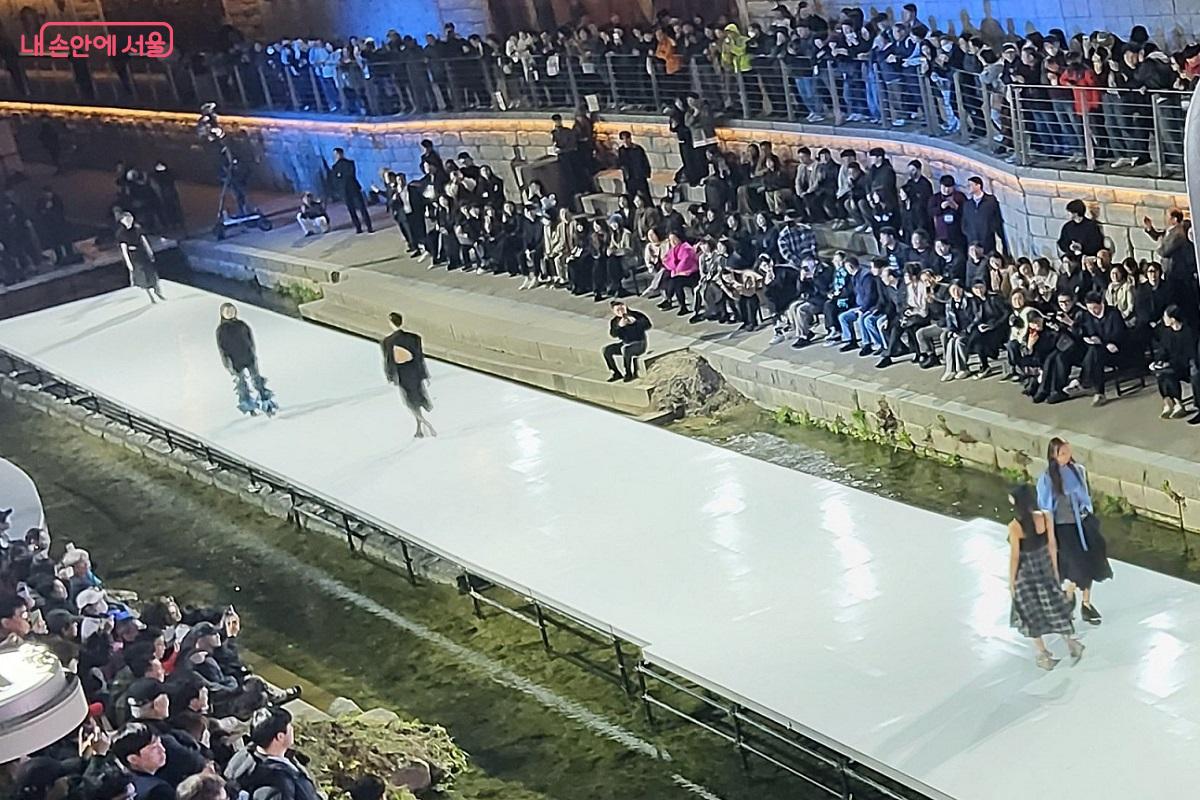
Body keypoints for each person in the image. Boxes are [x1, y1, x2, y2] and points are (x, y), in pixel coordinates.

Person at [1007, 483, 1085, 671]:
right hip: (1044, 565)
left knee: (1030, 611)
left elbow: (1015, 556)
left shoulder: (1015, 526)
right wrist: (1054, 570)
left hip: (1027, 572)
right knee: (1055, 606)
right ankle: (1071, 643)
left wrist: (1011, 582)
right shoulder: (1045, 516)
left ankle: (1043, 654)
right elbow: (1052, 544)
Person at [1037, 437, 1113, 626]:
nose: (1066, 456)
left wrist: (1088, 515)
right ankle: (1070, 592)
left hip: (1082, 522)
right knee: (1078, 565)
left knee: (1093, 559)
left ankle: (1085, 603)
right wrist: (1050, 534)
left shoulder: (1077, 471)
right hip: (1064, 527)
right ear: (1053, 456)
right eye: (1062, 453)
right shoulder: (1047, 478)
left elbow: (1084, 496)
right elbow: (1046, 507)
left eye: (1067, 452)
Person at [225, 707, 321, 800]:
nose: (292, 729)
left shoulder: (242, 757)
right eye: (289, 726)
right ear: (280, 736)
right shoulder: (279, 784)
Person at [216, 303, 277, 417]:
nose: (230, 313)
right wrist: (227, 363)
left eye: (232, 310)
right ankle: (249, 407)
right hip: (234, 360)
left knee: (258, 381)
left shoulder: (242, 325)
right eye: (227, 311)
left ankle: (267, 404)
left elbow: (250, 340)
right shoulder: (221, 330)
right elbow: (222, 348)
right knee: (242, 385)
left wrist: (253, 353)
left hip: (248, 356)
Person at [381, 312, 435, 438]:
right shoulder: (414, 338)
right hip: (414, 372)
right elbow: (419, 358)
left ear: (390, 323)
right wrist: (424, 374)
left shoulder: (388, 341)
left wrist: (390, 376)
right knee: (416, 397)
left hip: (402, 374)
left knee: (410, 401)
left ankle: (423, 423)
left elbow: (389, 360)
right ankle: (420, 426)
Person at [1150, 305, 1195, 419]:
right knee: (1161, 373)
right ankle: (1169, 402)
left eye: (1165, 317)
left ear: (1173, 319)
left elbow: (1188, 354)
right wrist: (1158, 361)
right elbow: (1163, 349)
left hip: (1185, 365)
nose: (1164, 319)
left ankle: (1178, 403)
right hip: (1171, 363)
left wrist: (1170, 363)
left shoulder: (1188, 332)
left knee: (1169, 373)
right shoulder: (1167, 332)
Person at [117, 212, 164, 304]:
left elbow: (144, 240)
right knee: (142, 276)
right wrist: (128, 263)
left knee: (152, 273)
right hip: (133, 255)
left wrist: (149, 251)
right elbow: (124, 249)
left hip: (142, 252)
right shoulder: (121, 233)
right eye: (126, 219)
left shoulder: (138, 228)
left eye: (130, 218)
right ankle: (151, 296)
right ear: (122, 221)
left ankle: (157, 291)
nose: (129, 220)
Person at [603, 300, 651, 382]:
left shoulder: (636, 315)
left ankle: (628, 373)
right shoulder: (614, 321)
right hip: (626, 342)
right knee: (607, 350)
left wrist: (636, 322)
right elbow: (613, 334)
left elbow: (648, 325)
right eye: (617, 310)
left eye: (622, 309)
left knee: (625, 349)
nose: (620, 312)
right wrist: (619, 326)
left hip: (639, 343)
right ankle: (616, 372)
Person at [329, 147, 373, 234]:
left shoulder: (349, 163)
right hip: (344, 192)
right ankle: (358, 227)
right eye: (335, 155)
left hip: (354, 189)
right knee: (351, 210)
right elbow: (335, 180)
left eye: (338, 154)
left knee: (362, 208)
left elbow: (349, 175)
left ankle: (369, 226)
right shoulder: (334, 167)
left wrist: (340, 176)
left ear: (341, 154)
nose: (337, 156)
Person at [616, 130, 652, 201]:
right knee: (631, 196)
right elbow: (620, 163)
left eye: (627, 138)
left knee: (645, 196)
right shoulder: (621, 150)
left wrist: (646, 173)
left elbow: (644, 161)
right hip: (629, 177)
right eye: (623, 139)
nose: (625, 141)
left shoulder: (637, 149)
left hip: (639, 176)